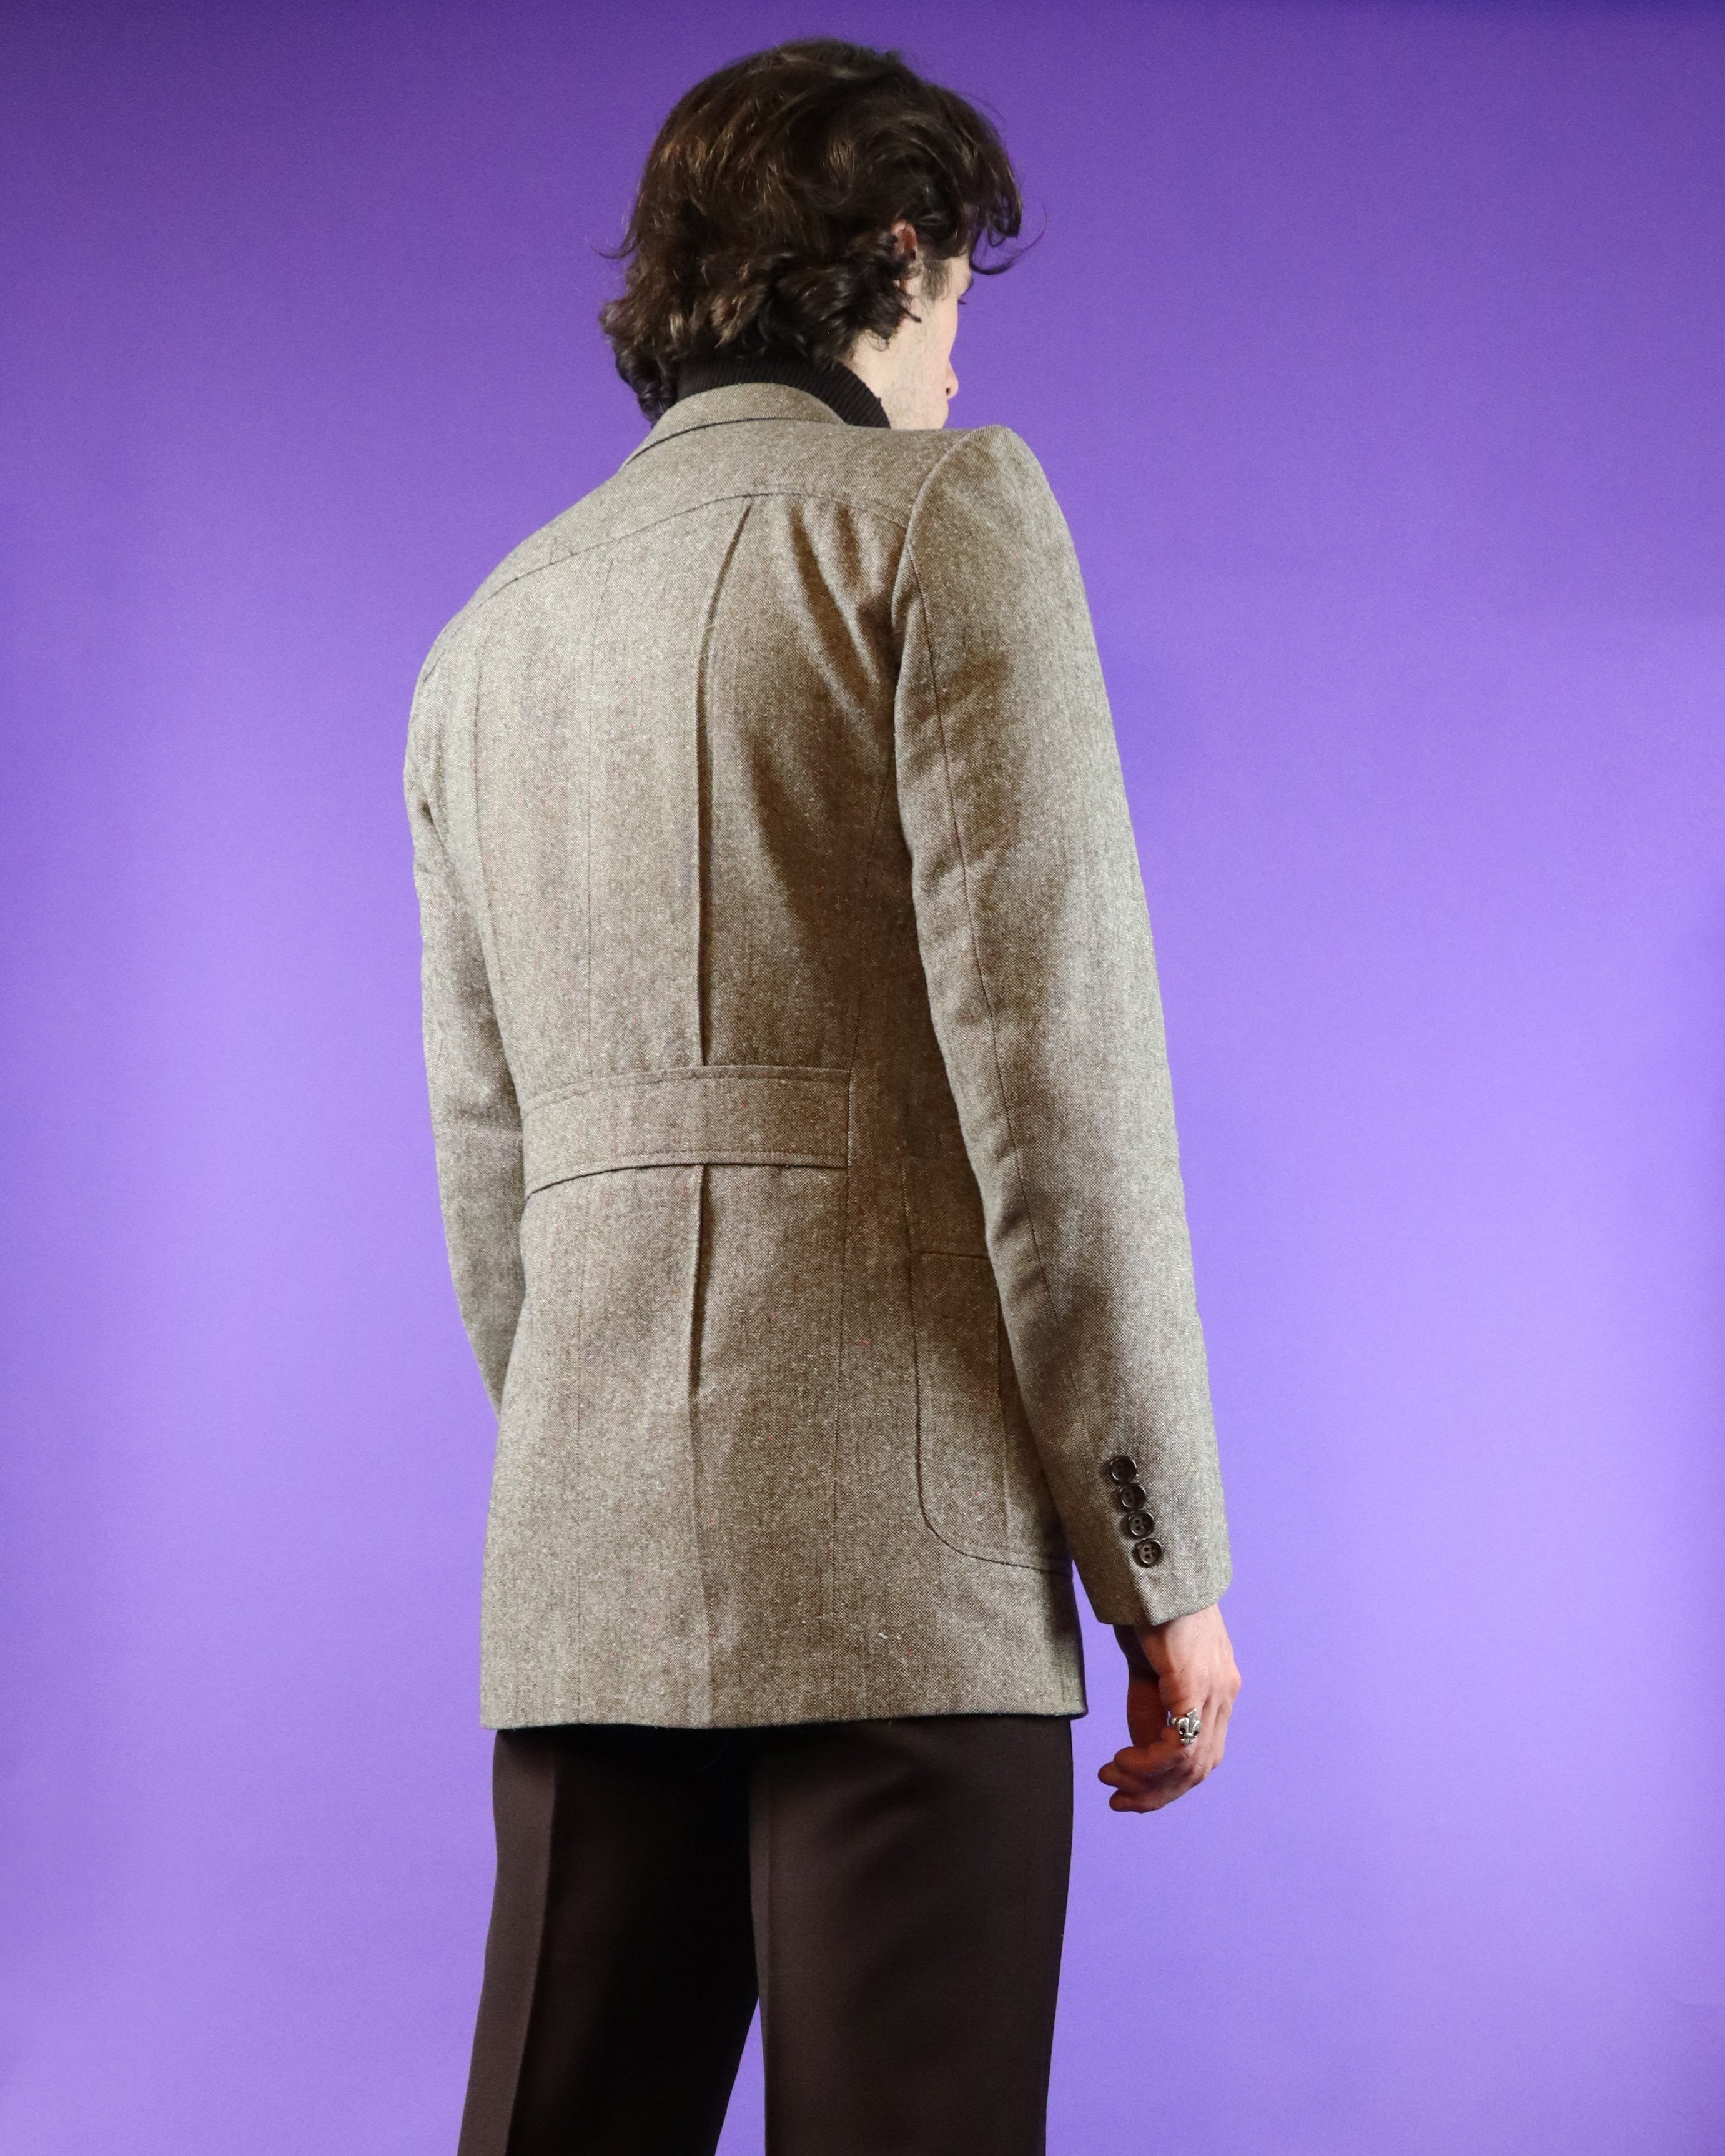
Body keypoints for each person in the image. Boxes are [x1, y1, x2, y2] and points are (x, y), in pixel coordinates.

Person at [405, 37, 1240, 2156]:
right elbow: (1058, 1086)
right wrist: (1154, 1555)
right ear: (890, 252)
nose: (958, 361)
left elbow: (490, 1169)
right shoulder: (940, 518)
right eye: (953, 297)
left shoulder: (487, 637)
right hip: (906, 1581)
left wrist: (601, 1466)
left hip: (588, 1576)